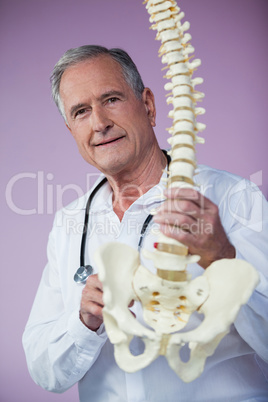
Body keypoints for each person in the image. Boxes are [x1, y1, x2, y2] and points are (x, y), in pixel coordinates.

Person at [23, 45, 268, 401]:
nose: (99, 122)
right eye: (81, 111)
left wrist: (222, 260)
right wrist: (84, 322)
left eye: (111, 99)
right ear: (71, 131)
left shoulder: (232, 197)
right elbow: (43, 369)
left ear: (149, 105)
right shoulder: (70, 222)